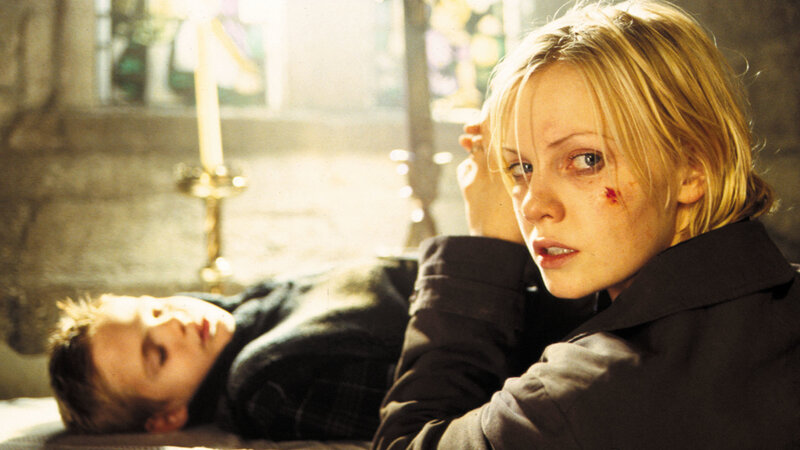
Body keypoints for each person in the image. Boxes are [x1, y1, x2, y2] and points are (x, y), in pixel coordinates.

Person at [373, 1, 800, 448]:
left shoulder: (578, 398)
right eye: (519, 168)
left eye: (585, 160)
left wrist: (484, 252)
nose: (533, 204)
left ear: (693, 169)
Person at [49, 257, 415, 440]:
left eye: (156, 309)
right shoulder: (267, 387)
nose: (175, 323)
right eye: (158, 354)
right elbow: (425, 389)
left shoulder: (254, 308)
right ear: (167, 418)